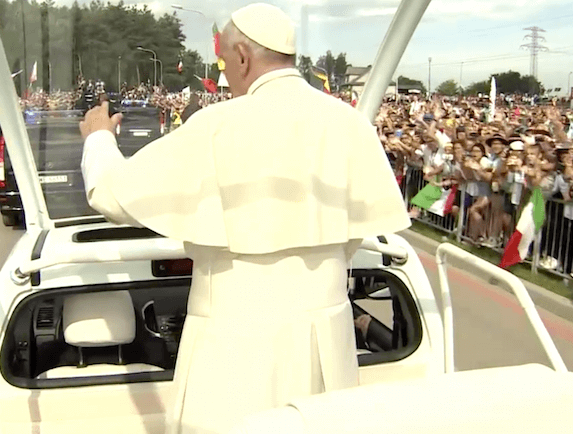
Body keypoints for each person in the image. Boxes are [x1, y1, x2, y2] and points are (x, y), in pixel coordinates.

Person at [78, 3, 409, 434]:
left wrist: (100, 139)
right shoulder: (349, 123)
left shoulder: (217, 124)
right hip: (325, 345)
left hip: (233, 346)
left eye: (224, 62)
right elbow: (353, 231)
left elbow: (112, 196)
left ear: (242, 58)